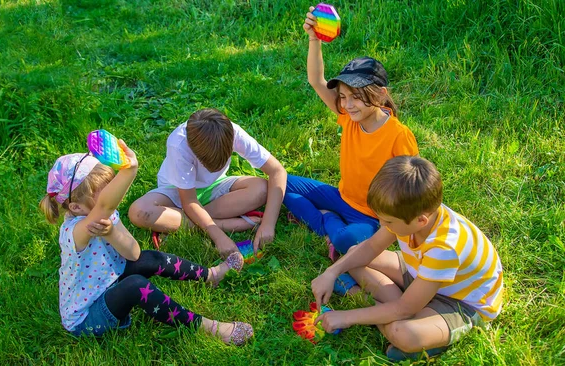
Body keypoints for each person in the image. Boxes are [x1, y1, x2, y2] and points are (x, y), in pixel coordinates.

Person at [39, 143, 253, 345]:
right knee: (135, 286)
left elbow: (133, 254)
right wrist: (129, 171)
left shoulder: (107, 217)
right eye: (106, 192)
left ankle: (211, 275)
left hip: (107, 282)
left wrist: (113, 232)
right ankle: (208, 328)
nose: (114, 196)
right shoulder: (73, 232)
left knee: (150, 258)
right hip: (86, 318)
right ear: (76, 207)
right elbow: (105, 206)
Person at [311, 156, 504, 361]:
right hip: (422, 273)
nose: (382, 224)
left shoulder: (444, 248)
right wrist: (330, 273)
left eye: (388, 221)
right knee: (354, 255)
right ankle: (395, 311)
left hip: (460, 302)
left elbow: (405, 309)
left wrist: (346, 317)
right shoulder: (412, 211)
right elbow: (370, 247)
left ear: (421, 220)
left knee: (402, 333)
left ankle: (371, 303)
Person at [283, 7, 419, 290]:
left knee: (347, 240)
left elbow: (408, 192)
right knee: (281, 184)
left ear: (381, 94)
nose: (347, 104)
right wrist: (314, 39)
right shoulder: (350, 118)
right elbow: (316, 81)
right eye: (343, 97)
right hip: (341, 197)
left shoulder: (398, 135)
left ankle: (328, 226)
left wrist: (388, 228)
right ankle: (330, 221)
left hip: (372, 216)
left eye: (356, 97)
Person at [129, 108, 287, 257]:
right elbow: (189, 201)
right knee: (139, 211)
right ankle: (223, 224)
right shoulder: (178, 144)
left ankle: (179, 222)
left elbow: (277, 171)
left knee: (261, 188)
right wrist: (218, 235)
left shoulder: (233, 132)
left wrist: (268, 224)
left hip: (215, 187)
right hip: (176, 192)